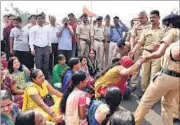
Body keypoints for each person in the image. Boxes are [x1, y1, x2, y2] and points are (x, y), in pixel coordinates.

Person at [134, 14, 180, 125]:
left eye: (166, 25)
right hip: (178, 80)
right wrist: (161, 46)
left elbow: (161, 53)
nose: (165, 28)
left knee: (145, 102)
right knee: (167, 105)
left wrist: (147, 57)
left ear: (170, 24)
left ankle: (132, 123)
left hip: (167, 76)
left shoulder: (172, 31)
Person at [129, 10, 165, 95]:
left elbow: (167, 43)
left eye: (154, 17)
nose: (152, 19)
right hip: (145, 53)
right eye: (151, 17)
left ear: (159, 17)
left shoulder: (164, 30)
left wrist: (160, 47)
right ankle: (144, 91)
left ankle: (151, 94)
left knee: (154, 74)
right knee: (144, 73)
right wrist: (133, 50)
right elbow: (140, 42)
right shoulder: (146, 30)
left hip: (157, 55)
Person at [129, 11, 151, 90]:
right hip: (138, 48)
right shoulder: (136, 24)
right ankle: (133, 84)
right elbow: (132, 36)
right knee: (136, 66)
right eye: (139, 18)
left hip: (148, 48)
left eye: (141, 18)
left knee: (147, 68)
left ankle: (146, 86)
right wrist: (132, 47)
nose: (140, 20)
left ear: (146, 17)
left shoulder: (151, 24)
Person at [29, 14, 51, 79]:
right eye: (38, 18)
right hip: (37, 48)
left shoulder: (46, 28)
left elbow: (49, 38)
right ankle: (38, 77)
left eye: (41, 18)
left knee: (46, 63)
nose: (40, 20)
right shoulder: (33, 28)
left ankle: (45, 77)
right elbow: (31, 39)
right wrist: (32, 48)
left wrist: (50, 47)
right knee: (38, 63)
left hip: (46, 47)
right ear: (36, 20)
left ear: (43, 19)